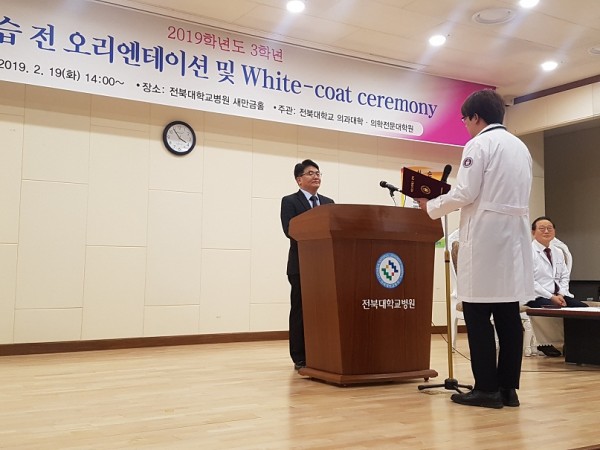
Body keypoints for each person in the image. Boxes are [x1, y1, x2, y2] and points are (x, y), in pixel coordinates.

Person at [416, 89, 534, 409]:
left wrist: (431, 205)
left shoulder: (479, 144)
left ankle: (486, 389)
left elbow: (466, 192)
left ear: (475, 117)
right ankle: (508, 389)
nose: (465, 126)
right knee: (508, 316)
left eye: (465, 120)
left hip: (485, 238)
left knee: (478, 314)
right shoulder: (520, 147)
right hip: (513, 238)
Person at [280, 159, 334, 371]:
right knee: (300, 311)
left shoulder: (328, 202)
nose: (316, 176)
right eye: (310, 173)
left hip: (324, 267)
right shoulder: (289, 201)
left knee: (323, 310)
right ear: (299, 180)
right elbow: (289, 230)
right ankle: (300, 356)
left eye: (318, 173)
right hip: (301, 265)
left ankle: (322, 353)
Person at [527, 216, 588, 357]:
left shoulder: (557, 252)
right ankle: (545, 343)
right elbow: (530, 281)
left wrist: (561, 294)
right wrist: (551, 297)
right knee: (550, 307)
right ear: (533, 232)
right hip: (536, 295)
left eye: (550, 228)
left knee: (583, 309)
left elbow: (565, 276)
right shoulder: (528, 252)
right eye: (542, 228)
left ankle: (573, 344)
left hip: (559, 294)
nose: (546, 231)